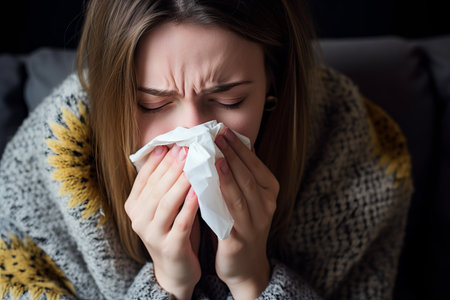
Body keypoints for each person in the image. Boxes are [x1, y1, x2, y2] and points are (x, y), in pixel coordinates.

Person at [0, 0, 413, 299]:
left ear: (273, 80)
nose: (193, 131)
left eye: (229, 100)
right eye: (153, 104)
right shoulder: (50, 165)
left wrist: (255, 280)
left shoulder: (356, 156)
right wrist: (168, 283)